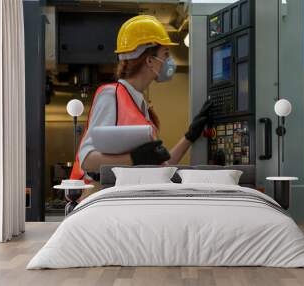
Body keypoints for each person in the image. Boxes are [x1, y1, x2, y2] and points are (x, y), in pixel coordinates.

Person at [70, 15, 212, 182]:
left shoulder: (141, 104)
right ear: (150, 60)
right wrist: (134, 159)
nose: (169, 61)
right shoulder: (112, 95)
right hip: (96, 202)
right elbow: (87, 161)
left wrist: (190, 136)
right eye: (165, 54)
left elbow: (161, 168)